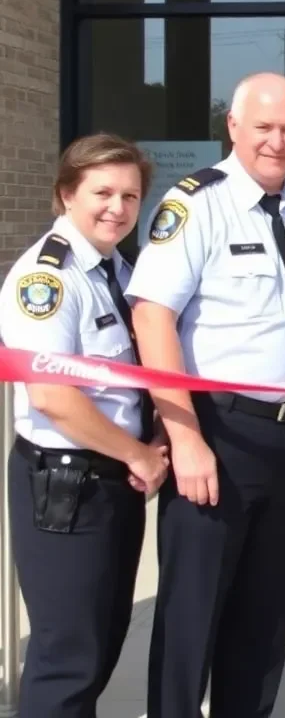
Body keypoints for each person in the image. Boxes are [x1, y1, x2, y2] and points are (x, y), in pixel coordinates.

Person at [126, 72, 285, 718]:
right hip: (217, 433)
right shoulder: (195, 203)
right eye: (264, 127)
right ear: (233, 126)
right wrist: (184, 434)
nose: (277, 142)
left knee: (266, 610)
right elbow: (152, 317)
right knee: (192, 613)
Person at [0, 133, 169, 718]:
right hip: (66, 486)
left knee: (97, 648)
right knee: (68, 658)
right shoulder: (47, 280)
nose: (117, 208)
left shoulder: (117, 270)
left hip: (111, 480)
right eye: (102, 192)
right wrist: (141, 456)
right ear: (66, 194)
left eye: (130, 195)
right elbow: (52, 395)